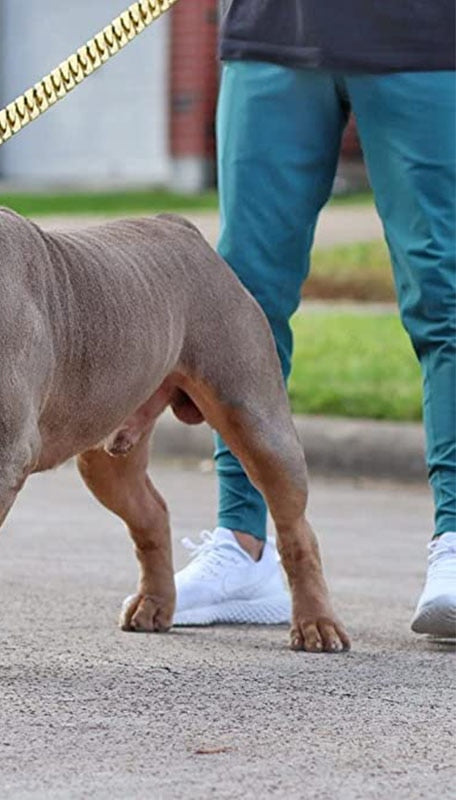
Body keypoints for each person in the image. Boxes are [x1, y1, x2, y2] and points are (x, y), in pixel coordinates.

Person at [173, 0, 456, 637]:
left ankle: (455, 539)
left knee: (445, 292)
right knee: (243, 301)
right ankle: (242, 544)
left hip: (428, 38)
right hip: (275, 30)